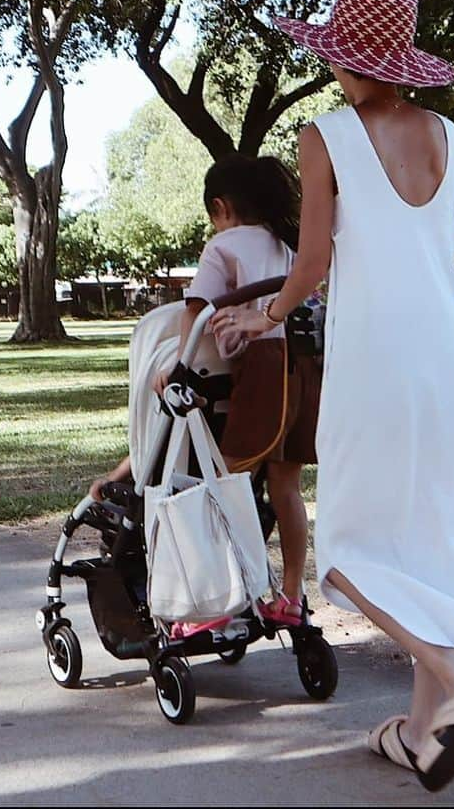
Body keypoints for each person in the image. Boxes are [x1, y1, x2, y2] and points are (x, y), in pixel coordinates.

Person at [211, 0, 454, 792]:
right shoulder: (447, 135)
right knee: (428, 542)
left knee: (348, 550)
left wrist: (264, 317)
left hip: (372, 359)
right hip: (441, 361)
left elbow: (314, 263)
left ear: (339, 60)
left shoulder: (325, 136)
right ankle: (423, 733)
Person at [89, 153, 320, 632]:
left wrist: (179, 364)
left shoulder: (223, 247)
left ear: (221, 208)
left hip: (262, 375)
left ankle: (212, 603)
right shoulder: (292, 246)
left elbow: (195, 309)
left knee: (217, 486)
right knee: (285, 488)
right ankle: (293, 595)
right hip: (304, 374)